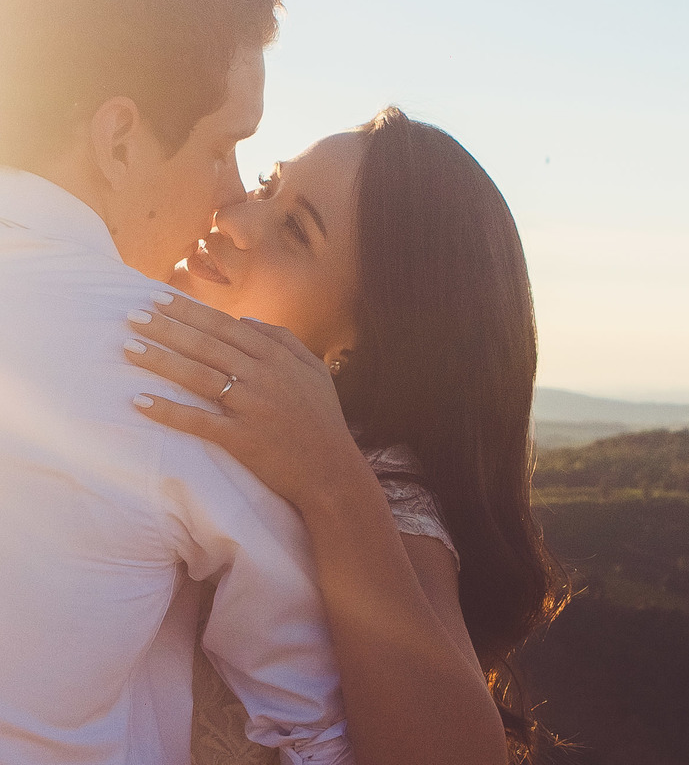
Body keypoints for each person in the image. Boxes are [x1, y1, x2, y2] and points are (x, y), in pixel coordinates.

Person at [0, 0, 359, 762]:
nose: (232, 194)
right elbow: (324, 734)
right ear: (116, 140)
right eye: (222, 148)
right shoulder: (171, 365)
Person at [126, 107, 570, 765]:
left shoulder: (380, 483)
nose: (235, 217)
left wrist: (332, 482)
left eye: (296, 231)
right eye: (269, 186)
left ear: (361, 342)